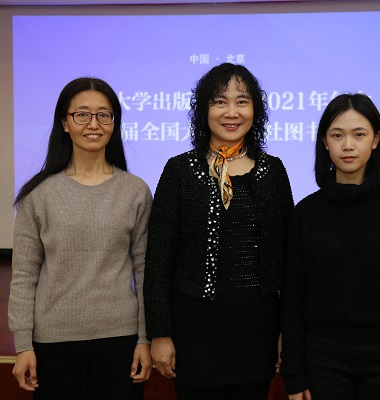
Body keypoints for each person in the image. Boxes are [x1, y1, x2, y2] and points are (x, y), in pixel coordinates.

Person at [143, 63, 294, 400]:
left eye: (242, 101)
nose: (231, 112)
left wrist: (288, 331)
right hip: (194, 333)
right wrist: (160, 333)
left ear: (255, 110)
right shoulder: (179, 170)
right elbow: (158, 260)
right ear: (204, 110)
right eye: (219, 101)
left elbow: (290, 261)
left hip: (257, 332)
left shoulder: (273, 171)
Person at [280, 93, 380, 400]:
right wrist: (293, 372)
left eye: (359, 135)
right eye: (337, 135)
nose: (348, 145)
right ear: (324, 142)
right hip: (323, 357)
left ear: (376, 139)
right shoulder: (307, 212)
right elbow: (294, 298)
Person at [8, 77, 153, 400]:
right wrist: (23, 344)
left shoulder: (135, 191)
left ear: (114, 123)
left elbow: (145, 270)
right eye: (82, 114)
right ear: (65, 122)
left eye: (104, 115)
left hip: (121, 339)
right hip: (54, 341)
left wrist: (145, 338)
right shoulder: (39, 195)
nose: (94, 124)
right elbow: (24, 275)